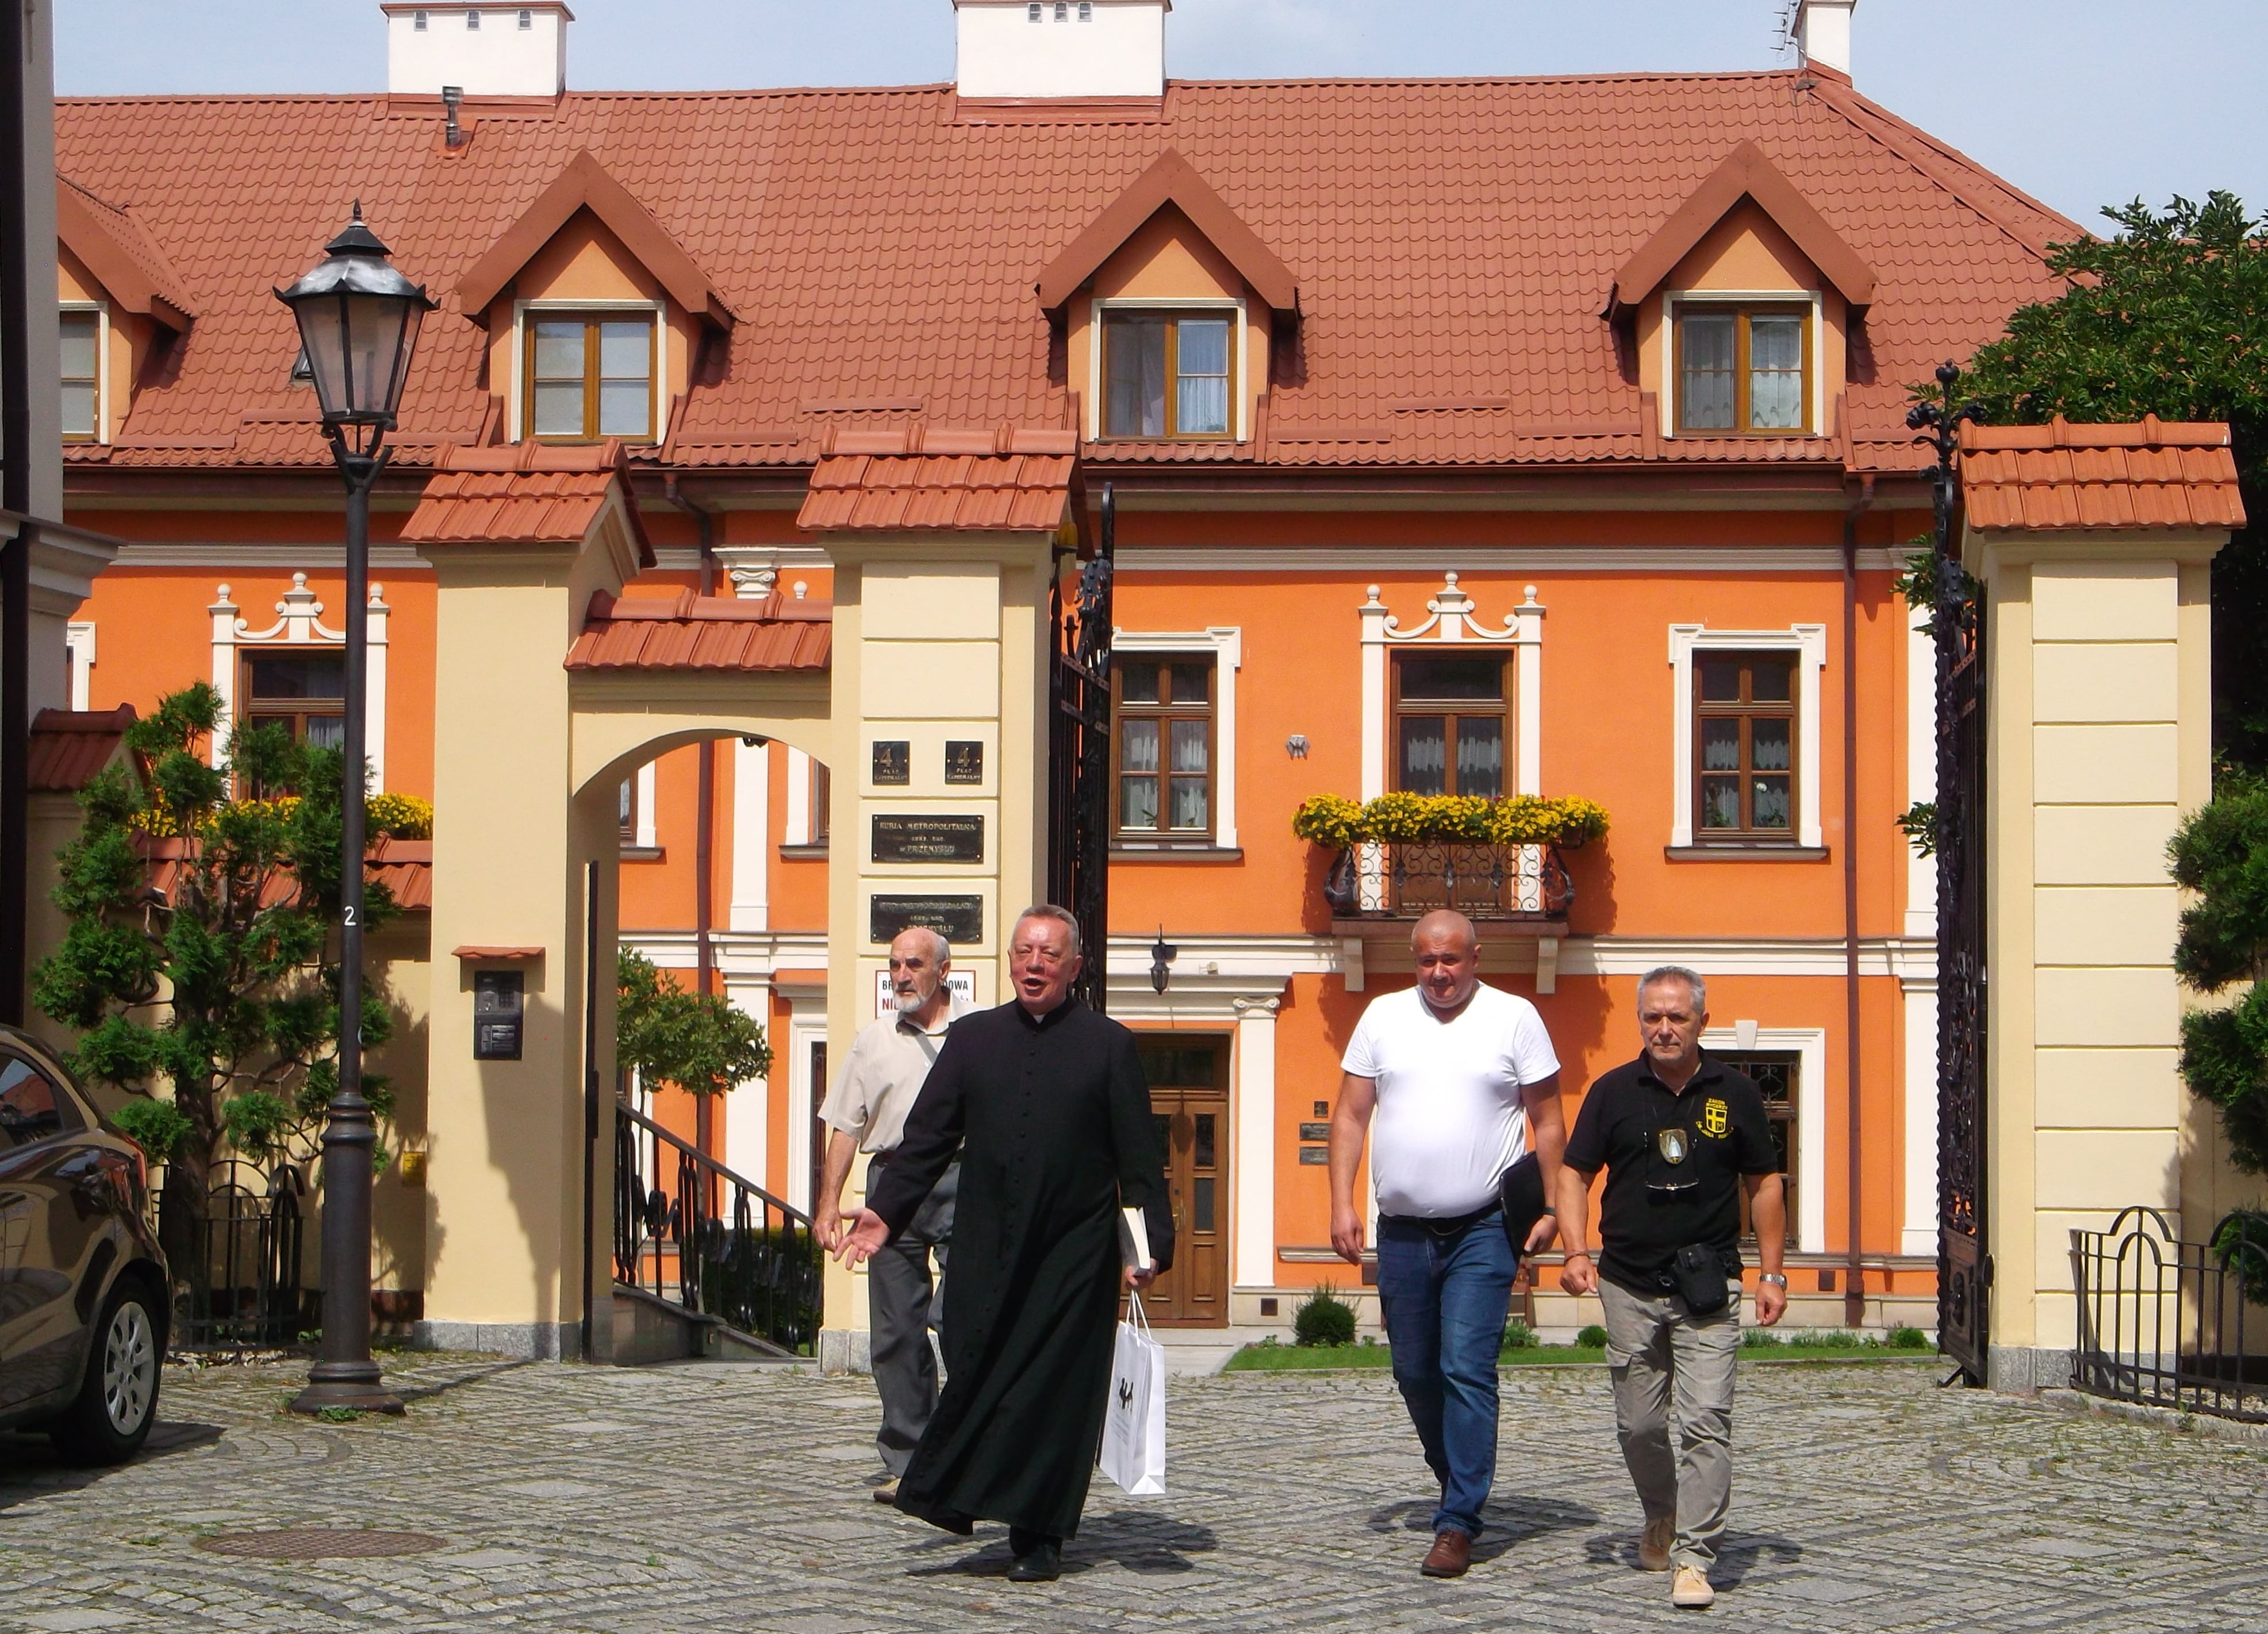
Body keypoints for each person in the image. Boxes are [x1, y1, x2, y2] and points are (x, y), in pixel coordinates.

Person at [834, 905, 1173, 1585]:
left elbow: (1139, 1162)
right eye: (1023, 952)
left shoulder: (1109, 1045)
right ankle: (959, 1493)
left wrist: (1146, 1244)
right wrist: (885, 1212)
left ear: (1075, 965)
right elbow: (927, 1136)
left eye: (1049, 953)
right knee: (979, 1369)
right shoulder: (974, 1038)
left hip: (1072, 1253)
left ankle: (1040, 1530)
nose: (1034, 964)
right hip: (984, 1246)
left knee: (1055, 1392)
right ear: (1010, 961)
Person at [1329, 909, 1565, 1579]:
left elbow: (1548, 1120)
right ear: (1415, 960)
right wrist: (1341, 1201)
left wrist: (1550, 1208)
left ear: (1476, 957)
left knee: (1466, 1365)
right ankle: (1455, 1475)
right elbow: (1350, 1113)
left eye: (1451, 960)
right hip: (1400, 1231)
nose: (1439, 973)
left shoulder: (1514, 1016)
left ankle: (1458, 1517)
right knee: (1414, 1372)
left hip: (1483, 1227)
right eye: (1427, 960)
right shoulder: (1381, 1016)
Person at [1555, 966, 1787, 1612]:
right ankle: (1662, 1511)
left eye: (1677, 1016)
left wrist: (1771, 1272)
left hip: (1709, 1286)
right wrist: (1576, 1251)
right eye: (1653, 1016)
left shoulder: (1735, 1093)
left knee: (1708, 1420)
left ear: (1701, 1023)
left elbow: (1764, 1183)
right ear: (1640, 1022)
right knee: (1639, 1423)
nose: (1664, 1027)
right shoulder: (1611, 1091)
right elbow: (1574, 1175)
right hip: (1627, 1282)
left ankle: (1694, 1555)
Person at [815, 926, 970, 1502]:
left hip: (963, 1176)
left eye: (913, 964)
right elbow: (845, 1126)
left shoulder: (976, 1030)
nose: (901, 975)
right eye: (894, 964)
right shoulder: (872, 1041)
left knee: (958, 1319)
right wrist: (830, 1203)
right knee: (894, 1331)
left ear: (942, 969)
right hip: (891, 1186)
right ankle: (910, 1458)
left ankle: (965, 1446)